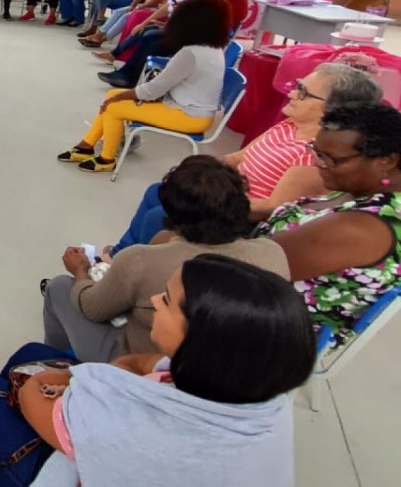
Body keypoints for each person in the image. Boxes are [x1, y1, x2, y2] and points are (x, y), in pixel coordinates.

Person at [0, 254, 315, 487]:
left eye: (167, 301)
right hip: (83, 434)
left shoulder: (142, 432)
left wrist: (63, 381)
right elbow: (142, 364)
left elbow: (32, 396)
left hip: (65, 460)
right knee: (31, 354)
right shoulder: (258, 389)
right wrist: (80, 382)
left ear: (199, 341)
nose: (154, 301)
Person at [115, 64, 382, 255]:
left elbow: (271, 209)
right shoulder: (288, 126)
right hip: (224, 197)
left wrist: (202, 198)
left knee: (160, 215)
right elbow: (236, 157)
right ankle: (119, 257)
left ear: (332, 108)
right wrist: (195, 175)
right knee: (157, 191)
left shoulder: (314, 156)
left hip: (239, 218)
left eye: (303, 91)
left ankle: (137, 273)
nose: (291, 93)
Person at [42, 155, 290, 362]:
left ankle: (55, 362)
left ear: (170, 212)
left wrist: (80, 271)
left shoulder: (141, 260)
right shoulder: (273, 252)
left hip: (144, 365)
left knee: (60, 287)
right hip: (227, 371)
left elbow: (93, 308)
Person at [257, 102, 401, 348]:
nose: (319, 163)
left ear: (386, 161)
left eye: (332, 159)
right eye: (317, 152)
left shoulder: (367, 227)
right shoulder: (360, 190)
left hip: (270, 333)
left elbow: (253, 264)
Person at [58, 0, 230, 173]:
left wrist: (121, 96)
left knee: (113, 106)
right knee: (112, 96)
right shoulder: (212, 48)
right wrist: (120, 96)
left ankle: (106, 159)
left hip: (189, 116)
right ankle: (86, 146)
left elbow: (152, 91)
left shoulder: (190, 53)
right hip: (195, 112)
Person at [96, 0, 217, 87]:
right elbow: (166, 7)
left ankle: (129, 76)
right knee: (145, 32)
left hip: (186, 38)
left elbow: (194, 25)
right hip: (174, 29)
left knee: (151, 41)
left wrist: (166, 26)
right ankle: (125, 73)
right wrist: (144, 23)